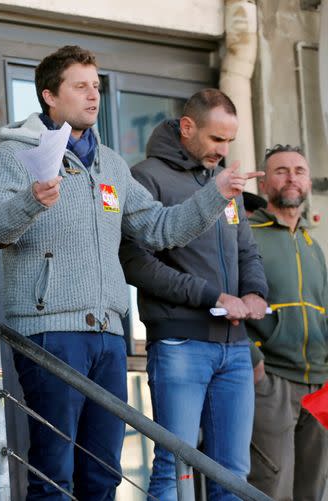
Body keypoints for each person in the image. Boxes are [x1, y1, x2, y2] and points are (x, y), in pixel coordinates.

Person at [0, 45, 257, 500]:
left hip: (108, 334)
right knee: (54, 473)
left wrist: (216, 193)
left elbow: (160, 230)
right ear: (49, 94)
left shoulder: (112, 165)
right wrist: (32, 200)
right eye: (80, 86)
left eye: (97, 86)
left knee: (104, 473)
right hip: (49, 332)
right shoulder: (14, 154)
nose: (93, 96)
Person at [119, 89, 268, 501]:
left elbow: (246, 250)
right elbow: (137, 264)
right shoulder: (145, 176)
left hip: (234, 347)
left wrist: (254, 292)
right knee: (173, 468)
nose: (223, 151)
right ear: (187, 127)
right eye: (216, 139)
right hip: (181, 343)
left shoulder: (226, 183)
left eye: (229, 141)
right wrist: (212, 296)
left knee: (234, 475)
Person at [245, 144, 328, 500]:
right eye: (281, 171)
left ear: (309, 182)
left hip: (320, 384)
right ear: (264, 184)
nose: (291, 177)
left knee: (313, 489)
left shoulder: (312, 244)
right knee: (270, 488)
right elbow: (225, 301)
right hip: (272, 381)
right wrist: (254, 363)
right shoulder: (246, 233)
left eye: (299, 170)